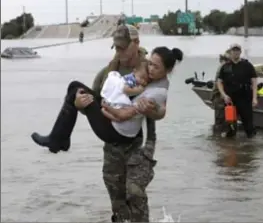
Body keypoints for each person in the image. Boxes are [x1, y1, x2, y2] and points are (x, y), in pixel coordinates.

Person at [31, 23, 183, 222]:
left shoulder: (152, 68)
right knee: (117, 196)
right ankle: (59, 139)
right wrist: (78, 105)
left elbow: (162, 109)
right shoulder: (107, 72)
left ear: (136, 43)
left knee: (135, 192)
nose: (118, 51)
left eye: (123, 47)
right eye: (116, 47)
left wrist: (153, 109)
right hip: (112, 142)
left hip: (139, 142)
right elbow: (95, 109)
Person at [217, 43, 258, 138]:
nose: (235, 52)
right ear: (230, 52)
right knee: (230, 127)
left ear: (240, 52)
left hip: (245, 98)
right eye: (233, 50)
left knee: (249, 126)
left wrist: (255, 98)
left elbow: (254, 81)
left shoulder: (247, 65)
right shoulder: (225, 67)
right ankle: (231, 149)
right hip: (230, 100)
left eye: (237, 50)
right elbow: (219, 82)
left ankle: (250, 148)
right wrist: (224, 95)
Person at [211, 50, 231, 133]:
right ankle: (218, 139)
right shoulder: (223, 67)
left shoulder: (226, 66)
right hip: (219, 97)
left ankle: (221, 141)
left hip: (223, 97)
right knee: (220, 121)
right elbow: (219, 83)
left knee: (227, 121)